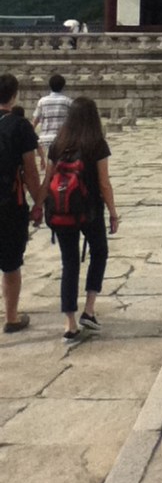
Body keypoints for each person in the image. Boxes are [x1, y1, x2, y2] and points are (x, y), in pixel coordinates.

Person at [38, 97, 118, 341]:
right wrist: (113, 213)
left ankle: (69, 323)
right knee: (99, 252)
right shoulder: (96, 144)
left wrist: (38, 207)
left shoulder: (58, 144)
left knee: (69, 262)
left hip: (61, 211)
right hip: (90, 210)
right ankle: (89, 309)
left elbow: (48, 179)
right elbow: (104, 183)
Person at [0, 74, 41, 334]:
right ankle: (11, 317)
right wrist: (39, 203)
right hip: (9, 203)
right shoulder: (20, 126)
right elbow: (30, 171)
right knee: (11, 263)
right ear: (15, 95)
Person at [33, 74, 72, 170]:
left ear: (50, 86)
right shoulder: (68, 102)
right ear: (63, 86)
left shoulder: (42, 101)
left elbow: (35, 122)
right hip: (62, 140)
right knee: (61, 170)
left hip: (45, 140)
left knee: (48, 170)